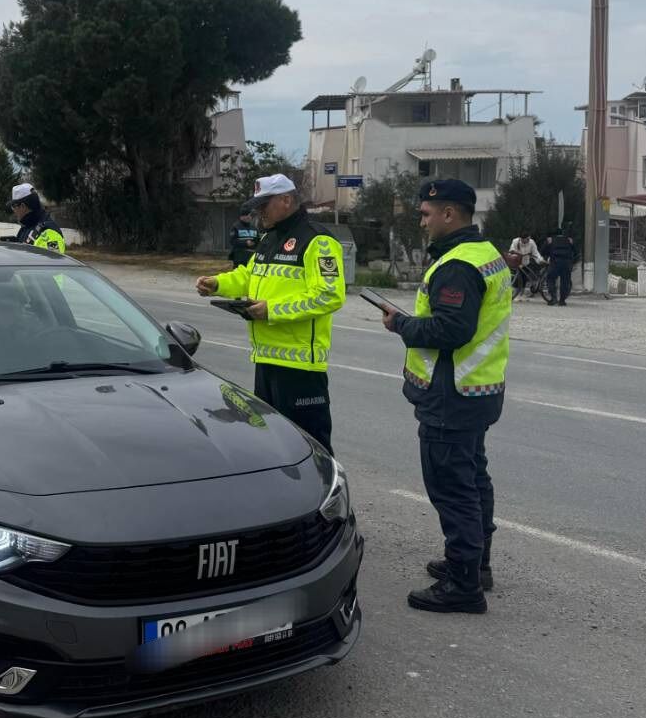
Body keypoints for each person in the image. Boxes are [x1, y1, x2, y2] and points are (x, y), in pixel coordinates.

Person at [377, 179, 511, 615]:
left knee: (453, 489)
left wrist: (400, 324)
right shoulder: (485, 253)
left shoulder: (457, 265)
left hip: (451, 395)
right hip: (477, 390)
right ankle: (475, 566)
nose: (422, 220)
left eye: (426, 213)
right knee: (473, 480)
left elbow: (451, 330)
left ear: (449, 214)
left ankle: (463, 586)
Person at [193, 174, 346, 454]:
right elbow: (248, 276)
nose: (258, 212)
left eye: (264, 205)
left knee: (310, 448)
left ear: (286, 200)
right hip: (266, 359)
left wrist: (272, 310)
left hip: (300, 366)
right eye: (257, 206)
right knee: (274, 444)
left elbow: (329, 295)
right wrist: (217, 283)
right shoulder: (269, 238)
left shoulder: (318, 241)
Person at [2, 184, 67, 252]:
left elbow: (53, 258)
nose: (13, 210)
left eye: (13, 206)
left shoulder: (49, 233)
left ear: (23, 206)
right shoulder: (26, 228)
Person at [508, 231, 545, 298]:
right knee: (517, 279)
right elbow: (511, 250)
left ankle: (521, 294)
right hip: (517, 262)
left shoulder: (531, 242)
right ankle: (516, 294)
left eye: (528, 239)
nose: (527, 240)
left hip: (525, 262)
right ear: (521, 238)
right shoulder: (515, 241)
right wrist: (514, 256)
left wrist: (540, 260)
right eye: (526, 239)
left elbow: (535, 253)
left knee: (524, 278)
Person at [545, 227, 576, 306]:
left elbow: (544, 251)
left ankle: (554, 298)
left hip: (555, 263)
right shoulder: (569, 240)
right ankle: (562, 300)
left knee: (550, 280)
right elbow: (575, 251)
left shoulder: (551, 240)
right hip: (566, 264)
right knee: (565, 282)